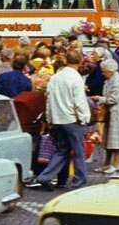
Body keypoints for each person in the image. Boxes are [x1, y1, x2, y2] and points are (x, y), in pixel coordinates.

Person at [34, 51, 90, 190]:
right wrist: (84, 118)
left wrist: (50, 118)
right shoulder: (76, 79)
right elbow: (79, 102)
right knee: (78, 152)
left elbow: (49, 99)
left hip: (58, 119)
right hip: (72, 119)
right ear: (80, 62)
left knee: (62, 150)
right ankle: (79, 181)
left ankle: (45, 177)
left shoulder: (56, 77)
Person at [97, 59, 119, 172]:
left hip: (118, 112)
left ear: (110, 70)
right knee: (108, 140)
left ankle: (115, 164)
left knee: (116, 141)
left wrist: (99, 99)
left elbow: (113, 99)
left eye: (104, 71)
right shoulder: (108, 80)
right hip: (109, 111)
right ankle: (106, 163)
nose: (103, 73)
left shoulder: (118, 81)